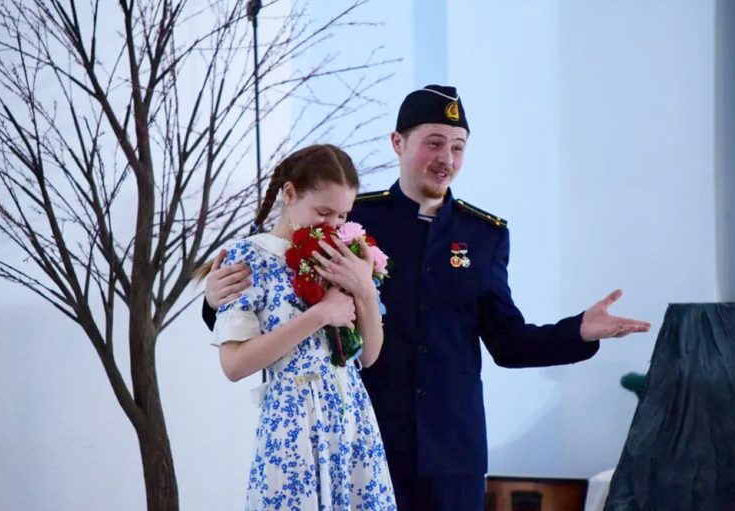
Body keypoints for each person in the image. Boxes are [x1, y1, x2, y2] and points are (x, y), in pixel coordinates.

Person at [201, 86, 651, 511]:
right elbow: (277, 299)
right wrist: (213, 300)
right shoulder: (351, 219)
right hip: (365, 438)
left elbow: (508, 342)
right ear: (398, 143)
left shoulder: (484, 235)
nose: (446, 159)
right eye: (434, 143)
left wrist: (578, 331)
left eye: (458, 147)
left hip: (453, 450)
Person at [198, 144, 397, 510]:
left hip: (352, 418)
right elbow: (234, 365)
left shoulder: (341, 254)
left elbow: (368, 356)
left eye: (342, 215)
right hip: (294, 422)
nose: (332, 225)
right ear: (289, 194)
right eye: (323, 212)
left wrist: (365, 290)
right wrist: (320, 314)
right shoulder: (250, 257)